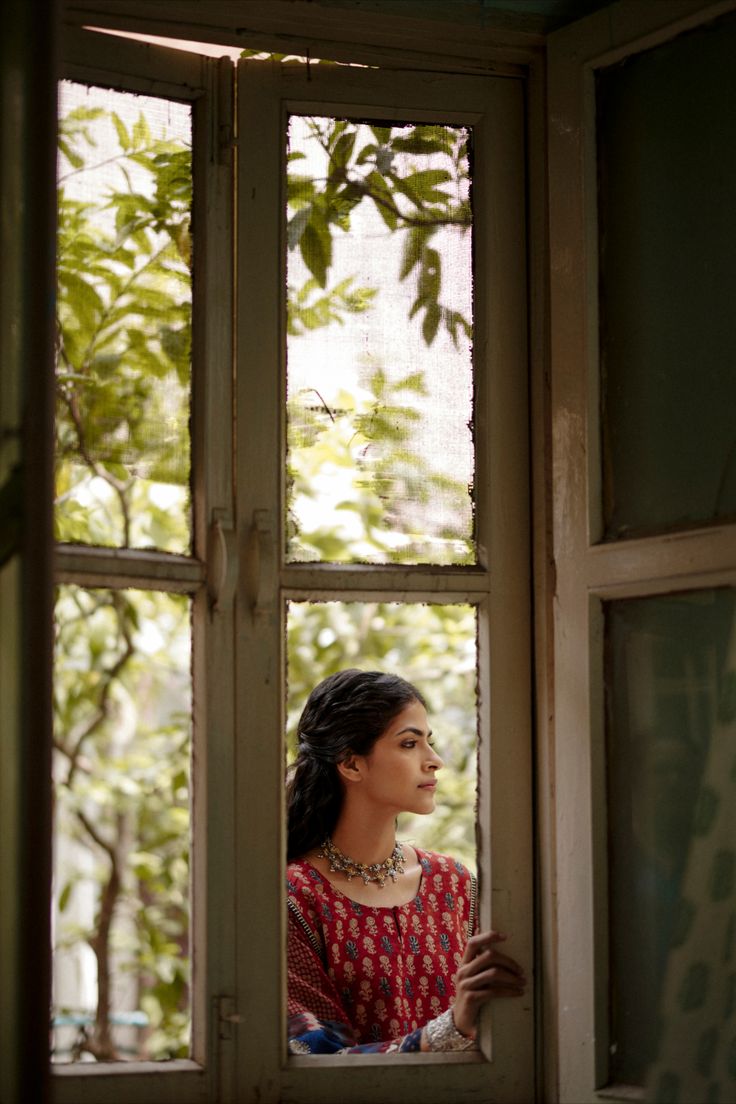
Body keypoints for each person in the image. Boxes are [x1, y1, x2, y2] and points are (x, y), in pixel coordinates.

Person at [286, 669, 526, 1054]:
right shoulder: (294, 897)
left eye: (428, 742)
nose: (434, 761)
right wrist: (452, 1027)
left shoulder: (455, 883)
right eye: (409, 743)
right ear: (351, 764)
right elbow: (318, 1058)